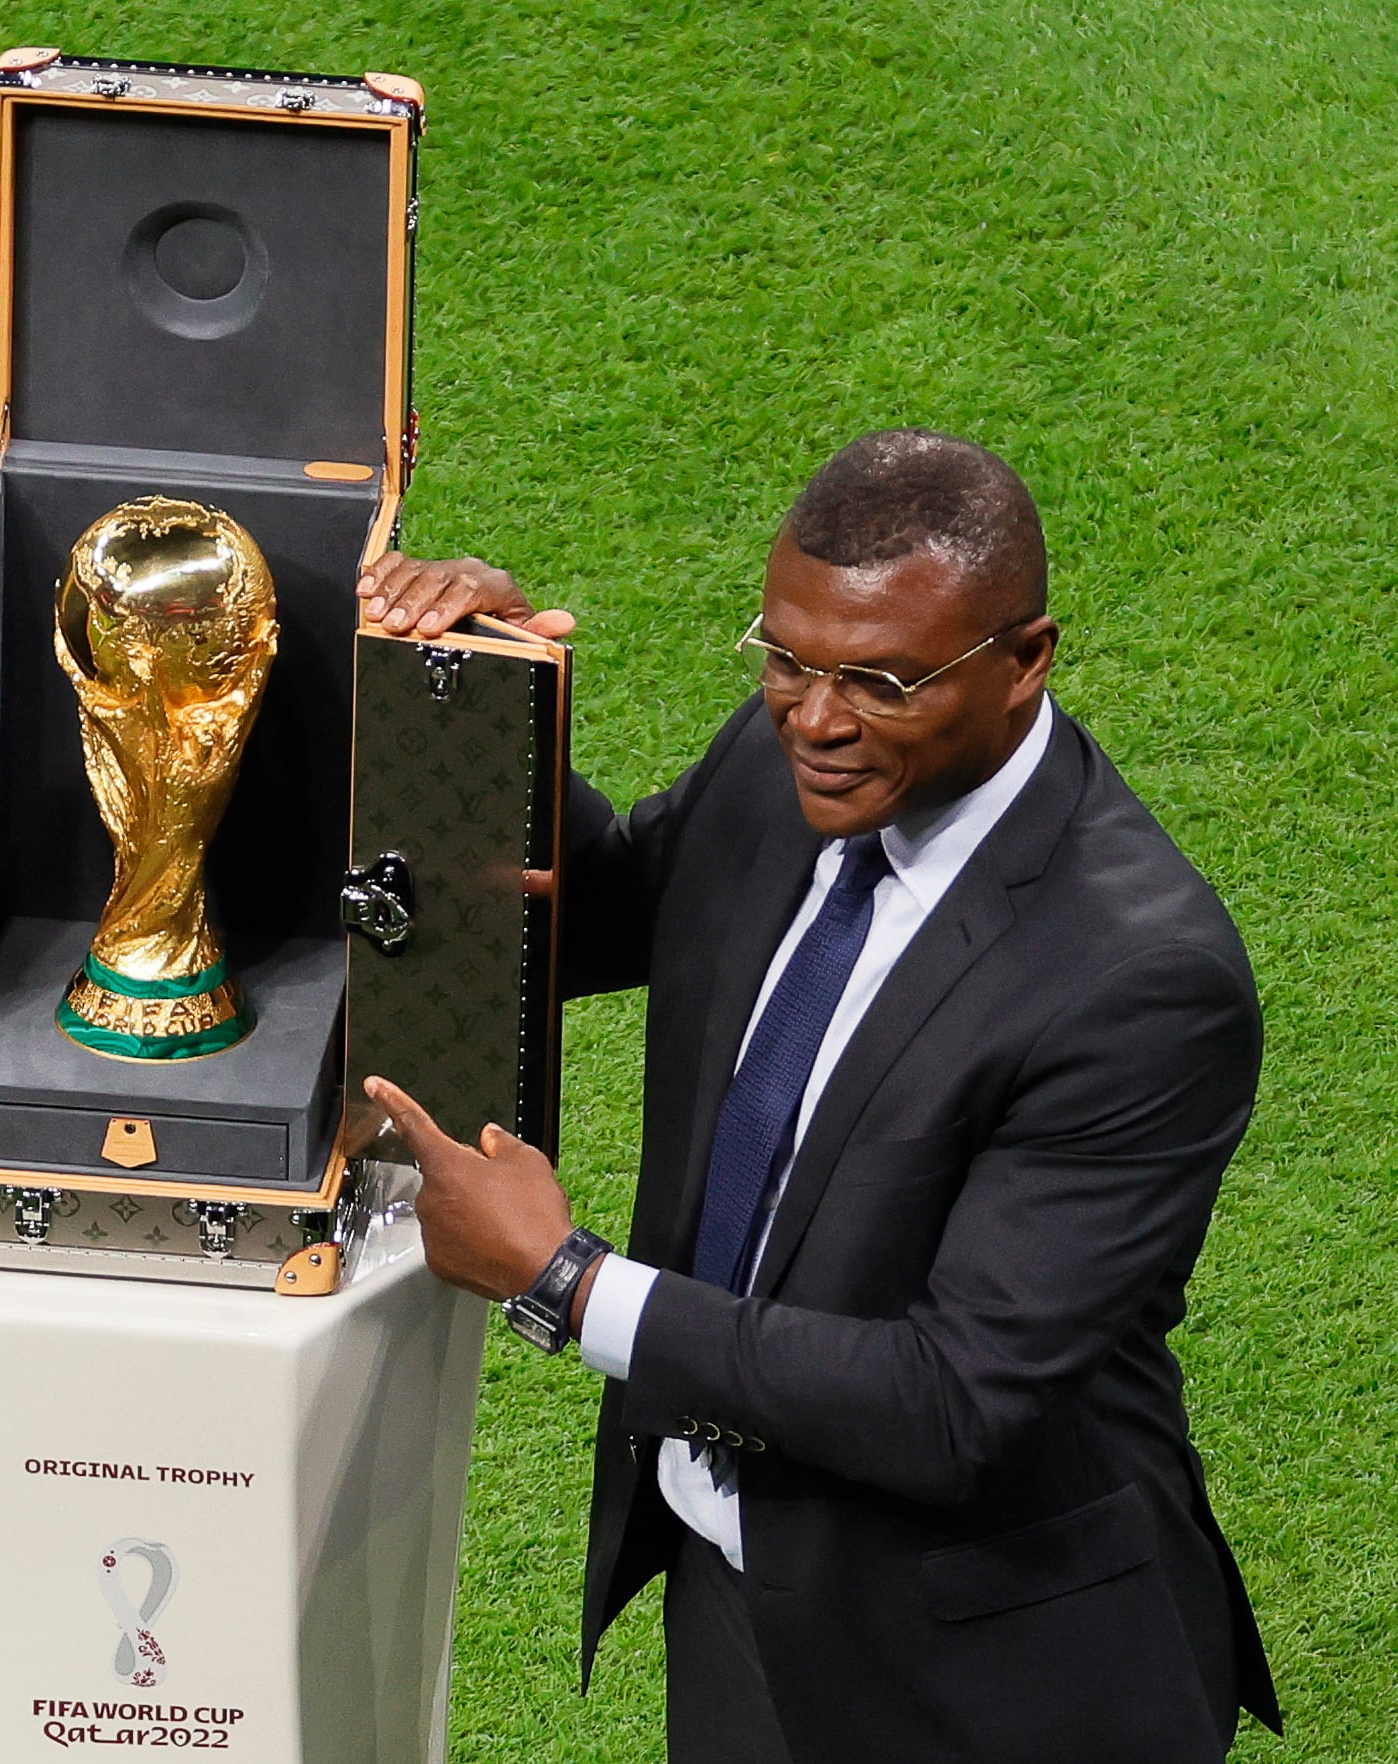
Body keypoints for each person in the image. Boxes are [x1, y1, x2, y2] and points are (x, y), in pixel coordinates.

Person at [355, 429, 1282, 1764]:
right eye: (786, 659)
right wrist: (482, 699)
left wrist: (564, 1282)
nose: (818, 717)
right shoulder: (789, 759)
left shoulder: (1138, 979)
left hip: (991, 1679)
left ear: (1026, 662)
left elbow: (952, 1399)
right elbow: (608, 914)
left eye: (884, 682)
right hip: (745, 1599)